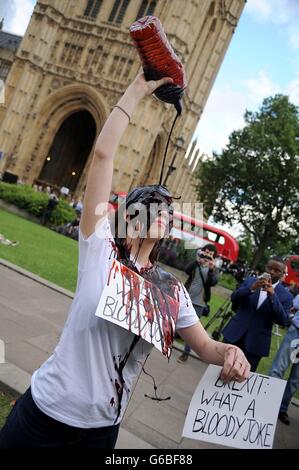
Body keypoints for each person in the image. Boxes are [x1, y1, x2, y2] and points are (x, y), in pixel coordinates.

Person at [0, 73, 250, 449]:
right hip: (44, 415)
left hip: (100, 432)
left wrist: (230, 352)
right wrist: (137, 89)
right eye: (154, 206)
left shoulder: (172, 291)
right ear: (131, 215)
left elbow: (204, 346)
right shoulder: (99, 247)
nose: (164, 212)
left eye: (168, 210)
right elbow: (103, 156)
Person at [222, 256, 293, 372]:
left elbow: (283, 320)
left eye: (277, 270)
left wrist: (273, 296)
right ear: (265, 267)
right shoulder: (250, 281)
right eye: (270, 268)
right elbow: (234, 298)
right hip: (233, 334)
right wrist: (251, 289)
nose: (272, 272)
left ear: (282, 274)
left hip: (256, 344)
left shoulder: (286, 296)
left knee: (241, 377)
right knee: (218, 369)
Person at [177, 244, 219, 363]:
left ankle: (185, 354)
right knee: (174, 320)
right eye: (205, 252)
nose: (207, 255)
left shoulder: (213, 269)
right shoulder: (197, 263)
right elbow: (187, 270)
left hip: (199, 303)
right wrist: (197, 262)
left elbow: (213, 282)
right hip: (186, 298)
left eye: (210, 254)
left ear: (213, 256)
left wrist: (211, 269)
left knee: (192, 329)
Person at [269, 293, 299, 425]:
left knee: (296, 379)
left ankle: (282, 408)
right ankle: (267, 401)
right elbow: (296, 305)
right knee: (278, 369)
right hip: (297, 331)